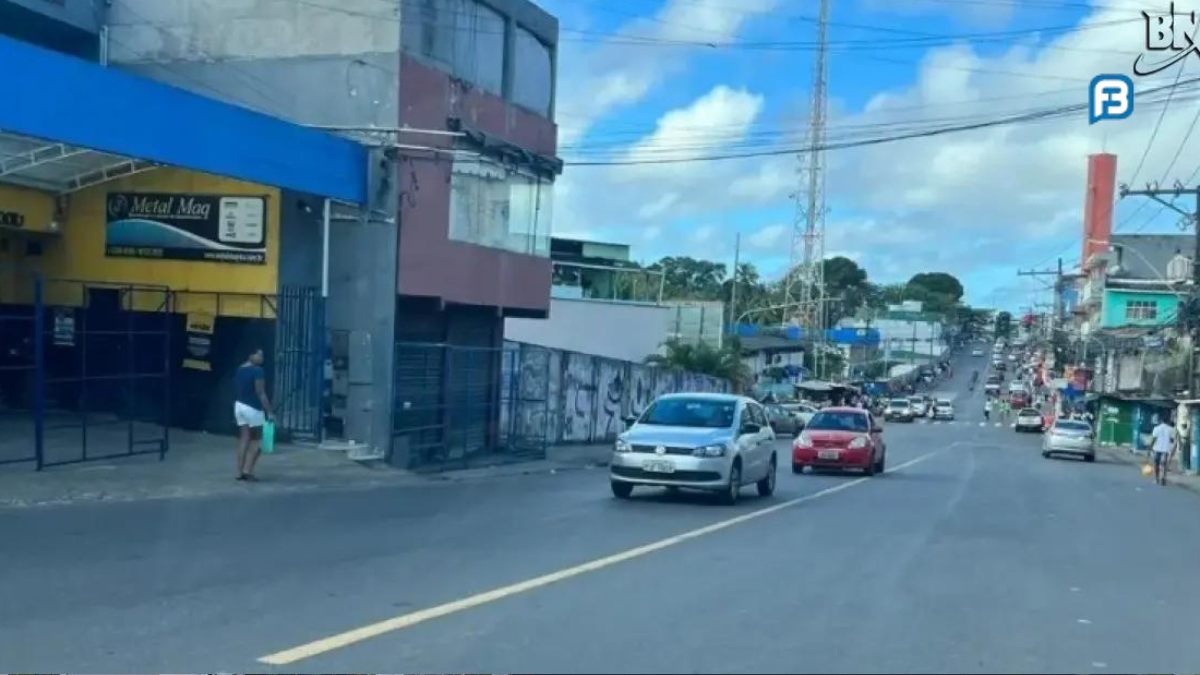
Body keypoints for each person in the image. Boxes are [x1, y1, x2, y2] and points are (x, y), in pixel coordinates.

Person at [234, 347, 275, 482]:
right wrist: (269, 411)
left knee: (244, 438)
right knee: (256, 440)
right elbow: (260, 392)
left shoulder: (240, 369)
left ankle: (239, 472)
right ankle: (248, 471)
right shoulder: (258, 370)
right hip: (253, 409)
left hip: (239, 406)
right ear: (251, 355)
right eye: (259, 355)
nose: (262, 358)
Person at [1150, 415, 1176, 487]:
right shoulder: (1171, 429)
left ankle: (1156, 479)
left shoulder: (1156, 428)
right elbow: (1172, 440)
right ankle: (1163, 478)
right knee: (1164, 465)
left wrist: (1149, 448)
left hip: (1157, 449)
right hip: (1166, 450)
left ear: (1161, 421)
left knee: (1156, 464)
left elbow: (1153, 439)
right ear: (1167, 421)